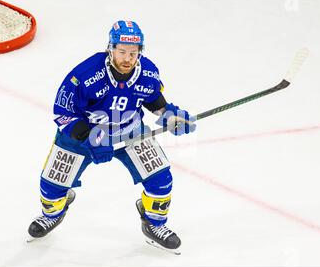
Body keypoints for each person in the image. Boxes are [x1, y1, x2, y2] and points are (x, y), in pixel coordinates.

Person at [28, 20, 196, 254]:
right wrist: (89, 139)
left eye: (133, 53)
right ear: (111, 49)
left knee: (161, 179)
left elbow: (153, 98)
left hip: (130, 131)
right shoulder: (85, 74)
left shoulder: (148, 72)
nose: (128, 58)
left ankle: (153, 224)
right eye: (122, 52)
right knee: (51, 186)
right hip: (84, 134)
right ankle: (53, 213)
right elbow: (63, 112)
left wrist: (168, 115)